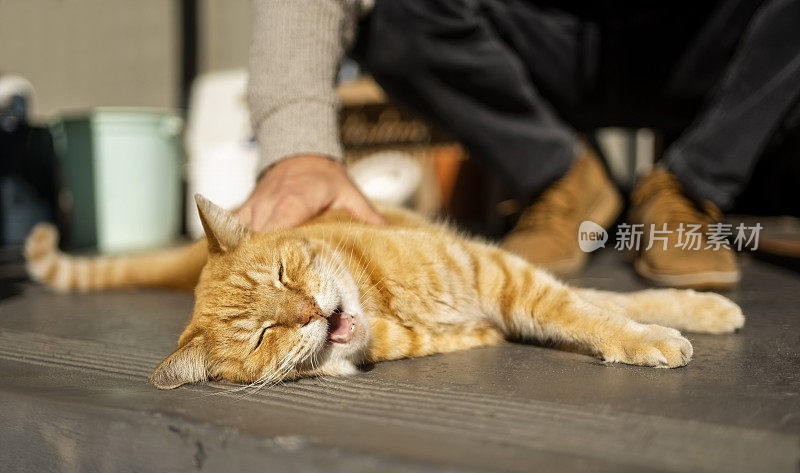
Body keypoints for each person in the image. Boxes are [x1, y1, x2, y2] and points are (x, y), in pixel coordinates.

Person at [241, 0, 800, 289]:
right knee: (394, 14)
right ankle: (562, 178)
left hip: (696, 44)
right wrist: (298, 144)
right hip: (530, 36)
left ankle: (689, 187)